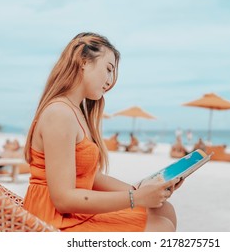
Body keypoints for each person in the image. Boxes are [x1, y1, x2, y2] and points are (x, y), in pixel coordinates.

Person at [23, 32, 182, 232]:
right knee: (161, 227)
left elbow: (92, 177)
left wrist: (143, 190)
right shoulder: (59, 114)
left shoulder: (75, 112)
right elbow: (63, 199)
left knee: (164, 210)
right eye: (108, 70)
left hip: (70, 214)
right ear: (83, 61)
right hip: (53, 219)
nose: (109, 82)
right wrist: (136, 198)